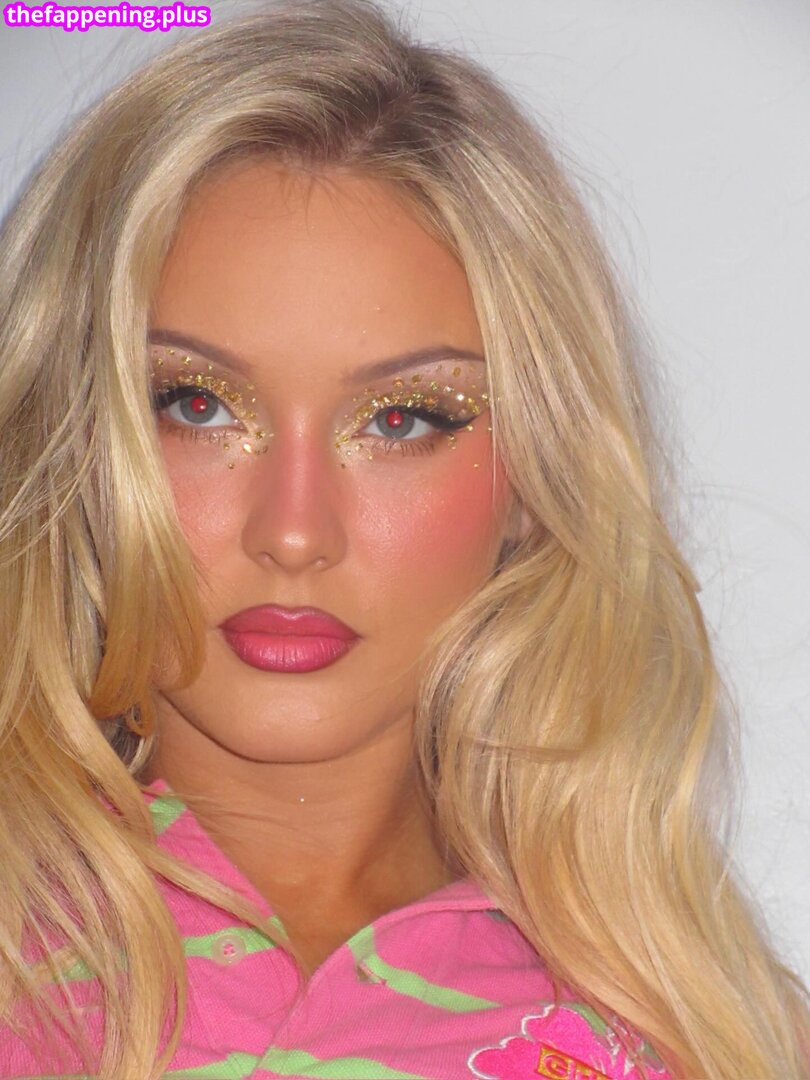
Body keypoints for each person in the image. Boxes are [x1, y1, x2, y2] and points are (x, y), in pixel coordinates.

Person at [0, 0, 807, 1077]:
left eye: (402, 421)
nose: (295, 532)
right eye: (195, 405)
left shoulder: (701, 1033)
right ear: (72, 434)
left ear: (533, 481)